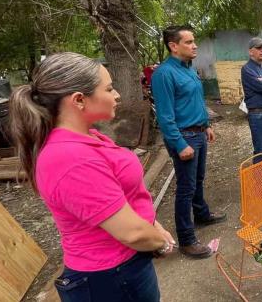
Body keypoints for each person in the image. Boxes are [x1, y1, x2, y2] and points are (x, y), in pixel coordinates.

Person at [9, 52, 175, 301]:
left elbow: (124, 197)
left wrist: (152, 225)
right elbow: (132, 233)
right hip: (110, 279)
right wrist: (159, 243)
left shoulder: (88, 137)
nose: (117, 95)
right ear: (78, 100)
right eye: (109, 89)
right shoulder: (71, 158)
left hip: (125, 266)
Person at [151, 25, 226, 260]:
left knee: (198, 180)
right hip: (184, 137)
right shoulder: (164, 74)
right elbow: (164, 115)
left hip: (199, 133)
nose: (195, 46)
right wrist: (179, 143)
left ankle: (201, 214)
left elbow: (196, 100)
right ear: (173, 46)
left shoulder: (188, 68)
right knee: (185, 188)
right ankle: (186, 239)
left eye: (194, 41)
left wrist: (206, 125)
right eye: (189, 42)